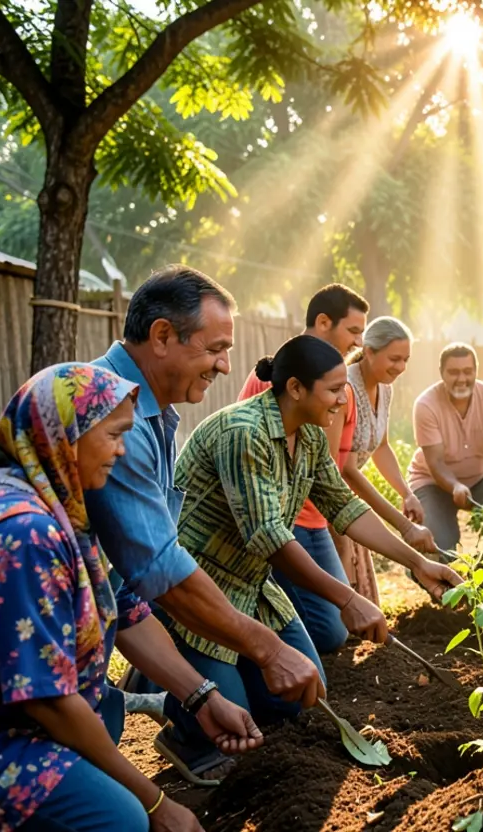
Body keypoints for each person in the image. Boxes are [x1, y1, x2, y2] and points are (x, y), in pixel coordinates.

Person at [157, 336, 461, 784]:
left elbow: (345, 507)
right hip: (197, 588)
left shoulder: (312, 437)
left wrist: (416, 562)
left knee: (304, 691)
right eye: (335, 389)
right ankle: (177, 714)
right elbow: (269, 538)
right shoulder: (245, 432)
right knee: (224, 719)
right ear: (296, 388)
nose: (345, 398)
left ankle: (222, 675)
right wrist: (347, 598)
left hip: (250, 585)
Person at [0, 364, 261, 832]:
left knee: (110, 735)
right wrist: (155, 803)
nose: (121, 450)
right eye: (113, 435)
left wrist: (201, 697)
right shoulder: (25, 534)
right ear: (65, 435)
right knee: (122, 818)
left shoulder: (62, 507)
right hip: (0, 741)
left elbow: (126, 611)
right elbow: (48, 701)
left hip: (28, 725)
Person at [85, 266, 324, 739]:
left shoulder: (155, 415)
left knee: (284, 702)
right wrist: (268, 649)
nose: (225, 366)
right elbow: (160, 572)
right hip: (49, 650)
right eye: (214, 349)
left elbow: (127, 591)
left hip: (119, 613)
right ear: (161, 336)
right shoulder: (114, 416)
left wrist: (198, 692)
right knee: (123, 812)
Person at [237, 287, 434, 649]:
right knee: (318, 628)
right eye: (355, 331)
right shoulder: (273, 394)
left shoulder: (326, 405)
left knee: (330, 631)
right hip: (268, 526)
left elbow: (333, 486)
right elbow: (270, 516)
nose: (359, 341)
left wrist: (416, 560)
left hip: (310, 517)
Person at [408, 343, 483, 595]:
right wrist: (455, 486)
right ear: (442, 373)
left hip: (479, 478)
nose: (462, 378)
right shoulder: (426, 404)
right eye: (454, 372)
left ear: (476, 371)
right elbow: (435, 462)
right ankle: (447, 598)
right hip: (430, 481)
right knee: (441, 549)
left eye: (468, 371)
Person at [339, 317, 430, 604]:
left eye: (405, 360)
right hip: (334, 500)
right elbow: (347, 471)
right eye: (394, 359)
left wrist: (407, 493)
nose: (400, 367)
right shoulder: (346, 389)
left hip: (352, 499)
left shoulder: (384, 388)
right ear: (368, 351)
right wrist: (403, 527)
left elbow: (382, 447)